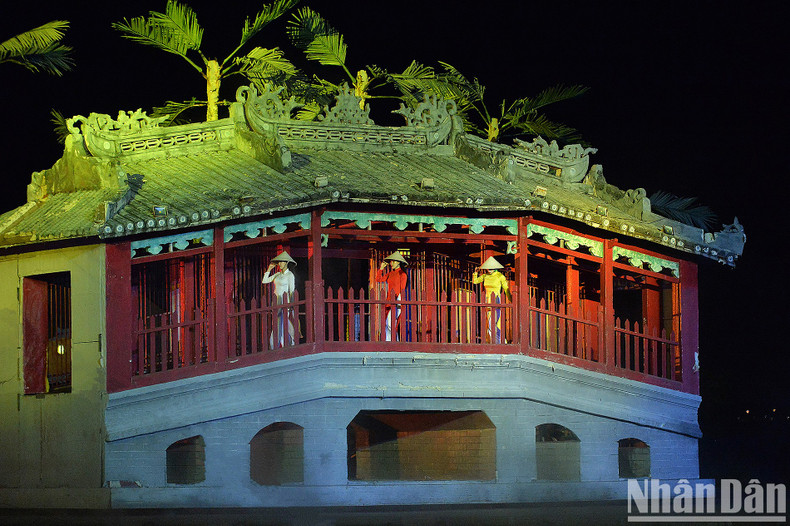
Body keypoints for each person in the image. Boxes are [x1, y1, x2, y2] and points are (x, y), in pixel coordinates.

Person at [472, 256, 511, 343]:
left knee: (493, 324)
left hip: (496, 300)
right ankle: (498, 342)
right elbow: (475, 281)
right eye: (488, 267)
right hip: (487, 300)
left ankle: (500, 342)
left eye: (491, 267)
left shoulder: (500, 276)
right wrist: (475, 273)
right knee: (490, 325)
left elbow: (506, 288)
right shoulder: (485, 276)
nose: (489, 269)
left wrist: (511, 300)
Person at [262, 251, 297, 348]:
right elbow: (265, 281)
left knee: (283, 324)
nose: (280, 264)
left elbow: (291, 291)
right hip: (276, 302)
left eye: (282, 262)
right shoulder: (277, 274)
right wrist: (269, 269)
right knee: (276, 324)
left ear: (286, 263)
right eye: (279, 262)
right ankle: (278, 345)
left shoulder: (290, 275)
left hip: (285, 302)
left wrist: (290, 305)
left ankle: (285, 344)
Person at [375, 251, 408, 341]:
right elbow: (378, 279)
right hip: (388, 302)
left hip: (397, 302)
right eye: (390, 261)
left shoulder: (402, 274)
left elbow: (402, 289)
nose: (390, 263)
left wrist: (399, 303)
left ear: (398, 262)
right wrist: (381, 268)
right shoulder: (390, 274)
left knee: (391, 324)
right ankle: (390, 343)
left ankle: (394, 343)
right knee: (387, 324)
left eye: (392, 261)